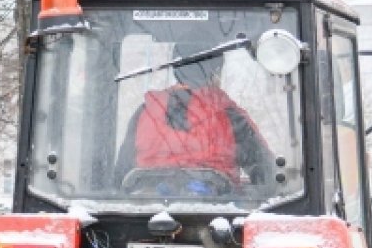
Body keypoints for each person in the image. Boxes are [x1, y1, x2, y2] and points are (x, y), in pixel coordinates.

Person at [115, 45, 274, 193]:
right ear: (216, 71)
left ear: (175, 69)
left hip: (149, 210)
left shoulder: (147, 111)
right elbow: (266, 175)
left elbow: (121, 174)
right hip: (215, 213)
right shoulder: (227, 113)